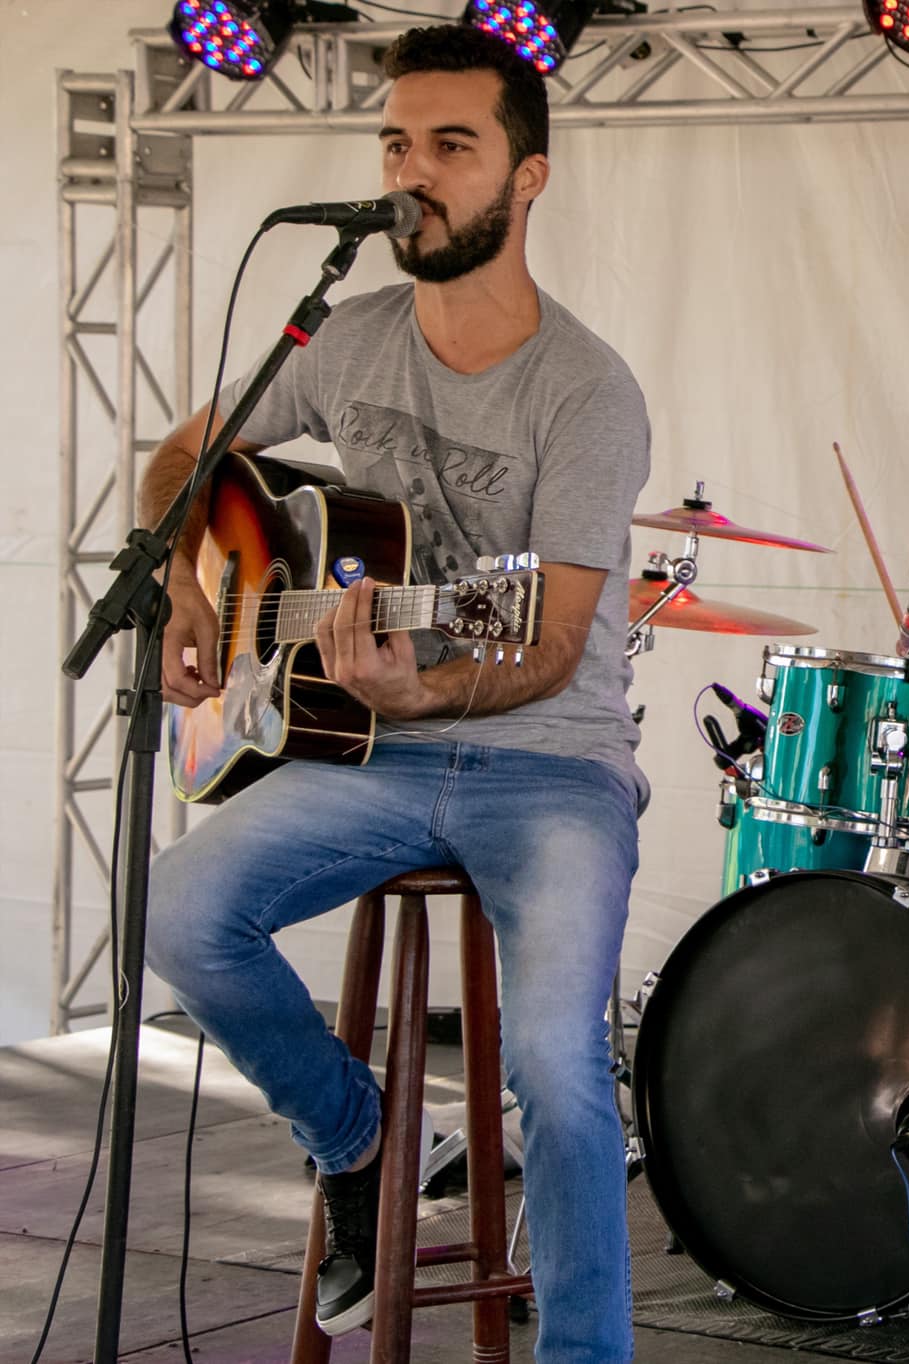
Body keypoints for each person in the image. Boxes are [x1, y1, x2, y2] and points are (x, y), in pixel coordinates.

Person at [140, 26, 649, 1361]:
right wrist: (189, 590)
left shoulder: (585, 391)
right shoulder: (345, 337)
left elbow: (548, 648)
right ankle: (357, 1137)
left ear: (527, 178)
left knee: (557, 1073)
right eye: (397, 144)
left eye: (453, 147)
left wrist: (424, 697)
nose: (414, 172)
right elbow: (183, 454)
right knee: (182, 913)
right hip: (373, 750)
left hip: (552, 765)